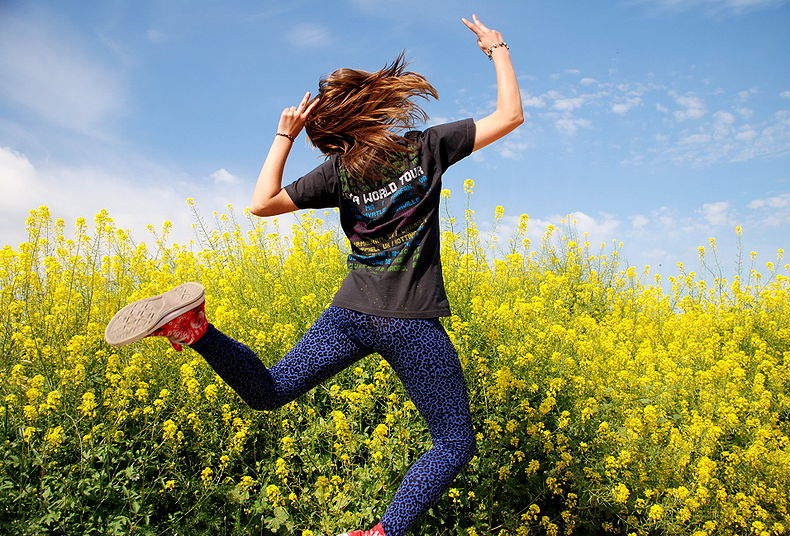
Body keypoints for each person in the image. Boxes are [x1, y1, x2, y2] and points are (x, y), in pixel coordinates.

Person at [105, 14, 523, 536]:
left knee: (269, 391)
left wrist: (284, 134)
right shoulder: (425, 147)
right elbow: (510, 115)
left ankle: (195, 330)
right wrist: (497, 48)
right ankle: (383, 532)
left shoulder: (338, 172)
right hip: (410, 322)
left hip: (351, 313)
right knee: (453, 443)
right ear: (373, 106)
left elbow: (261, 203)